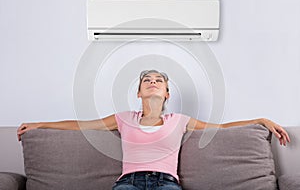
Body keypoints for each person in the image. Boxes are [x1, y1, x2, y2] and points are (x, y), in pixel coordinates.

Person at [17, 69, 290, 190]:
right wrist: (41, 124)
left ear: (167, 94)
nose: (153, 82)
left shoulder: (179, 120)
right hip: (128, 184)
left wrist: (261, 120)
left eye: (159, 80)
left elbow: (220, 128)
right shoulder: (124, 118)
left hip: (166, 183)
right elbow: (81, 126)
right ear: (139, 92)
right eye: (146, 80)